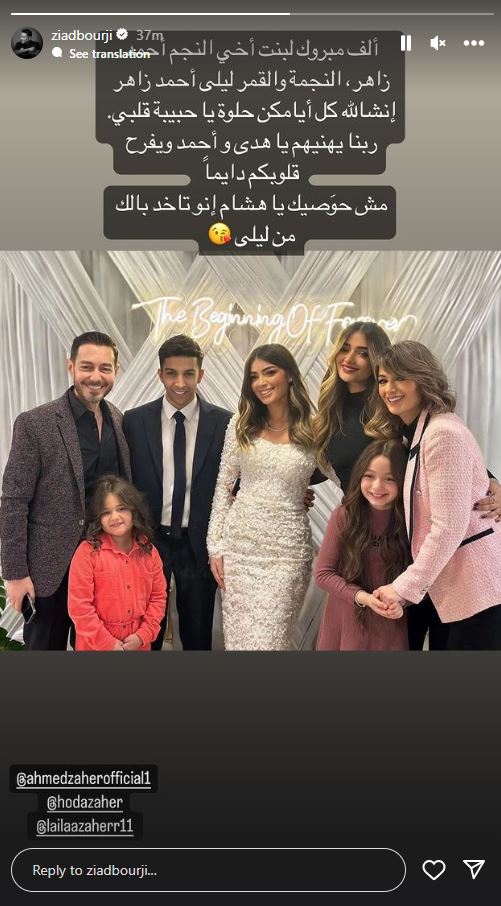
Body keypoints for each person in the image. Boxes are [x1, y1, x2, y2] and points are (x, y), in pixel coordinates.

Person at [0, 331, 131, 650]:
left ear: (115, 370)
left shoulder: (118, 419)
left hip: (103, 566)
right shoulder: (35, 423)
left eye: (105, 368)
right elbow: (13, 501)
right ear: (70, 366)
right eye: (87, 366)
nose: (96, 377)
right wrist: (15, 574)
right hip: (50, 572)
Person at [368, 340, 501, 650]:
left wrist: (403, 588)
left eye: (400, 378)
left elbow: (448, 526)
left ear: (423, 379)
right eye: (383, 380)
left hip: (476, 590)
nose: (389, 388)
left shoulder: (442, 434)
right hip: (458, 590)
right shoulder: (420, 432)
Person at [122, 335, 231, 650]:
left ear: (201, 374)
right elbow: (123, 480)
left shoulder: (225, 423)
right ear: (160, 374)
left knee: (198, 635)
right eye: (171, 373)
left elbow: (236, 480)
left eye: (188, 373)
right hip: (148, 541)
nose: (180, 383)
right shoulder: (134, 421)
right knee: (146, 634)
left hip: (198, 544)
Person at [207, 344, 318, 650]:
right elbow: (223, 486)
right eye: (254, 376)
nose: (261, 382)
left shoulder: (315, 428)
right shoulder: (241, 423)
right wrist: (215, 547)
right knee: (239, 642)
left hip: (287, 554)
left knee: (272, 640)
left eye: (270, 372)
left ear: (290, 375)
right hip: (240, 549)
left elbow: (345, 475)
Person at [316, 439, 409, 650]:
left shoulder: (409, 521)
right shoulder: (344, 516)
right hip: (346, 617)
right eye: (369, 476)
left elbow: (420, 578)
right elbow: (323, 574)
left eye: (389, 479)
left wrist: (402, 600)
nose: (377, 486)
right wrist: (363, 598)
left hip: (389, 621)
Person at [68, 476, 167, 651]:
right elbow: (79, 607)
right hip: (94, 645)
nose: (115, 517)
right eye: (106, 512)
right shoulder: (86, 553)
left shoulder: (150, 552)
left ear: (134, 511)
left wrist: (142, 636)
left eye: (121, 508)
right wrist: (108, 643)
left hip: (138, 644)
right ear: (98, 518)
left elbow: (158, 598)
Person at [314, 321, 392, 493]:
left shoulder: (389, 412)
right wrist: (297, 489)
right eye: (344, 349)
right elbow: (319, 468)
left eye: (363, 353)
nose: (349, 359)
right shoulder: (331, 411)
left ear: (376, 360)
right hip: (351, 509)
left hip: (388, 509)